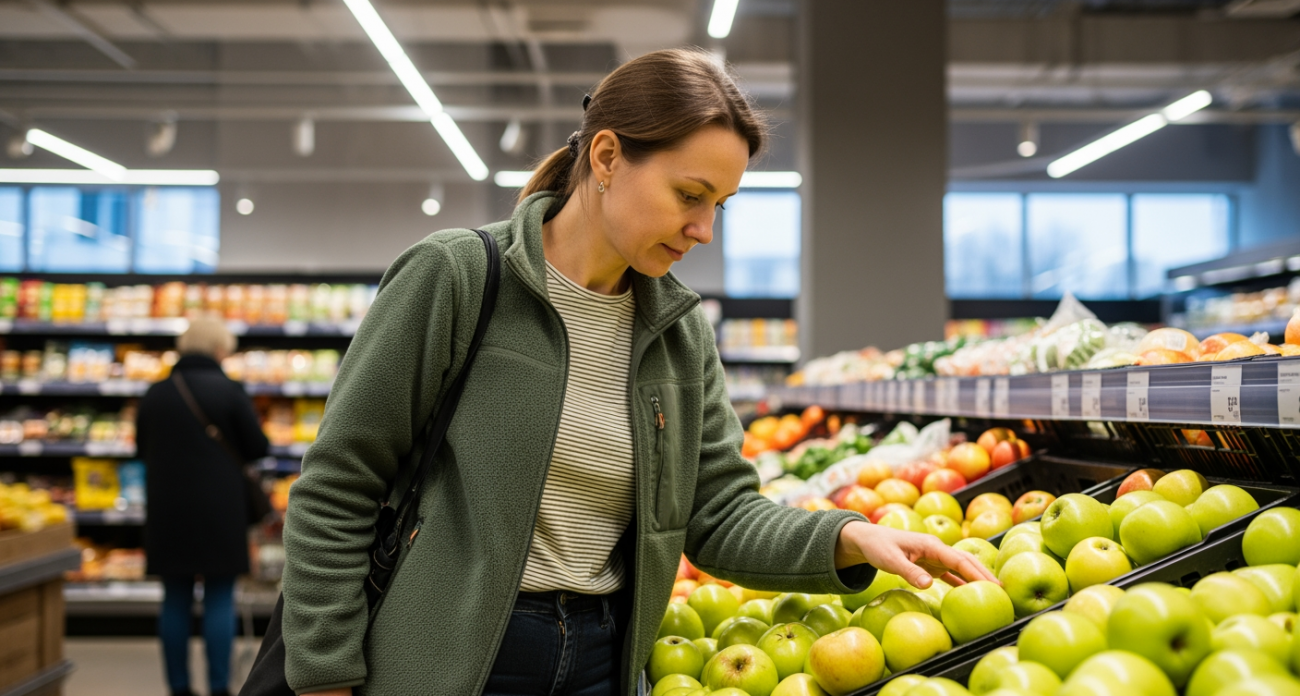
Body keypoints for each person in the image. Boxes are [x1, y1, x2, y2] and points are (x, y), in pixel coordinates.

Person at [280, 47, 995, 696]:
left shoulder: (678, 332)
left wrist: (848, 537)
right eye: (690, 195)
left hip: (604, 661)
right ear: (607, 157)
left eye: (719, 205)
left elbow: (717, 513)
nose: (704, 230)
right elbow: (339, 484)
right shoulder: (458, 278)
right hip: (449, 662)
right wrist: (324, 674)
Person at [137, 316, 270, 696]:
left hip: (167, 507)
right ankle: (218, 687)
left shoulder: (156, 393)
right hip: (220, 507)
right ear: (219, 349)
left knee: (175, 597)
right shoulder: (229, 391)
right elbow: (258, 447)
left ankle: (179, 687)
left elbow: (140, 447)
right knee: (220, 596)